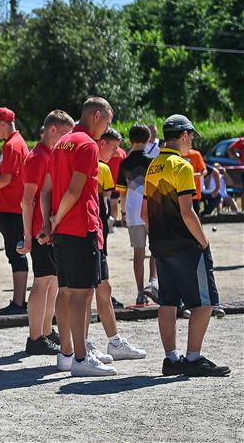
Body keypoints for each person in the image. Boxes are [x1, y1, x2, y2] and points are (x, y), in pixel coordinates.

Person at [142, 115, 229, 377]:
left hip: (160, 244)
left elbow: (145, 213)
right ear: (182, 135)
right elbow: (187, 211)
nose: (192, 141)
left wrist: (156, 238)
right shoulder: (182, 166)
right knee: (205, 303)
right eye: (191, 136)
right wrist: (203, 241)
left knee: (167, 302)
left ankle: (170, 359)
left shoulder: (154, 165)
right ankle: (193, 358)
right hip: (185, 244)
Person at [39, 97, 116, 377]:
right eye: (106, 122)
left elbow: (47, 188)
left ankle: (68, 353)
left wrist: (50, 223)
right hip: (80, 225)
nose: (106, 129)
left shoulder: (61, 143)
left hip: (62, 230)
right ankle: (82, 360)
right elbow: (75, 190)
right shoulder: (86, 145)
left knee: (67, 290)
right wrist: (57, 219)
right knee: (82, 295)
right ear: (96, 116)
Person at [17, 110, 74, 355]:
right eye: (64, 133)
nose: (67, 139)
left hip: (49, 230)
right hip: (41, 231)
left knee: (52, 281)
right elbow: (27, 199)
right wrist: (28, 236)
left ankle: (46, 331)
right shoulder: (38, 157)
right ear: (52, 130)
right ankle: (35, 337)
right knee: (42, 282)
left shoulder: (49, 155)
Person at [93, 128, 147, 362]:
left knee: (103, 288)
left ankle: (112, 340)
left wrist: (117, 216)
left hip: (98, 232)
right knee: (85, 292)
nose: (116, 153)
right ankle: (83, 346)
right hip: (88, 233)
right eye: (113, 148)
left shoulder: (106, 167)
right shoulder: (98, 167)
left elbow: (108, 201)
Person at [0, 107, 30, 315]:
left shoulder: (12, 145)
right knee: (16, 253)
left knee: (16, 253)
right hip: (12, 207)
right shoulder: (13, 143)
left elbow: (6, 179)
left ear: (3, 124)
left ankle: (19, 303)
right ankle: (18, 301)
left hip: (12, 208)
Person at [116, 124, 158, 305]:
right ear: (149, 139)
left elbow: (123, 193)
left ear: (130, 140)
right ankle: (153, 283)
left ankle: (140, 292)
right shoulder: (152, 162)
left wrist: (123, 213)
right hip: (151, 209)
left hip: (133, 210)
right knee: (155, 249)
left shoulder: (124, 163)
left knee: (138, 252)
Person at [105, 144, 126, 228]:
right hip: (118, 182)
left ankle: (105, 222)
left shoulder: (106, 150)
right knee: (114, 203)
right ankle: (112, 224)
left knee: (105, 202)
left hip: (106, 181)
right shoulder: (122, 152)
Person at [184, 147, 207, 215]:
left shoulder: (196, 154)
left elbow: (204, 171)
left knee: (195, 215)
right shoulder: (177, 154)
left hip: (194, 192)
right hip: (180, 193)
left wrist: (193, 175)